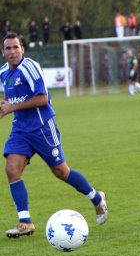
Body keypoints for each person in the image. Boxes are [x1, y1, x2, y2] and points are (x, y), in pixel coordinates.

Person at [0, 33, 108, 238]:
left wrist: (11, 107)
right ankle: (25, 222)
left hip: (42, 128)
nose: (12, 52)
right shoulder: (4, 72)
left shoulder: (30, 68)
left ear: (22, 49)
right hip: (21, 130)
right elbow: (10, 97)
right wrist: (5, 107)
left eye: (16, 47)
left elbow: (43, 99)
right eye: (8, 48)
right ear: (3, 51)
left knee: (61, 172)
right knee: (12, 169)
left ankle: (96, 198)